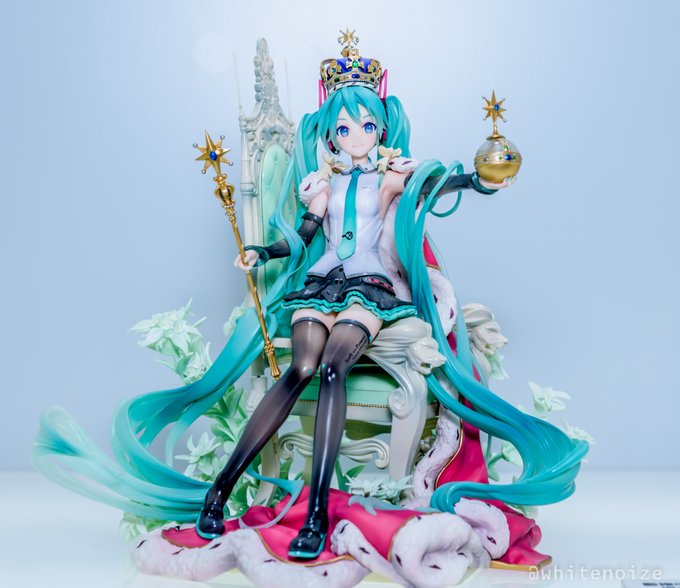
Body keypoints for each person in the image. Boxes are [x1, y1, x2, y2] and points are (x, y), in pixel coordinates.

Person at [33, 31, 588, 566]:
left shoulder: (392, 176)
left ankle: (317, 509)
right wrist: (263, 251)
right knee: (299, 368)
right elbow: (301, 236)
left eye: (366, 125)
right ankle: (218, 491)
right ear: (330, 132)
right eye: (344, 127)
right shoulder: (323, 184)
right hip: (322, 284)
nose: (356, 136)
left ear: (381, 127)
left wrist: (481, 180)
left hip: (371, 288)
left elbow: (441, 184)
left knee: (333, 368)